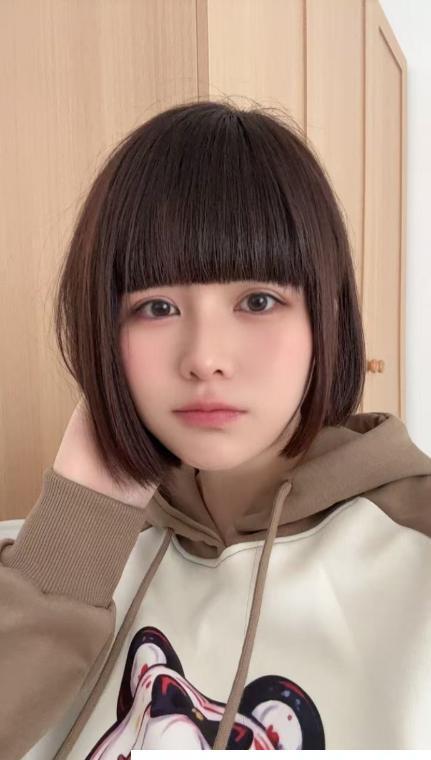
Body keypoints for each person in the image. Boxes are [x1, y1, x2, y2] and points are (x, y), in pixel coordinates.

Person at [1, 98, 430, 758]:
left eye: (257, 301)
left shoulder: (413, 547)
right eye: (156, 307)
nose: (204, 358)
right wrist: (76, 533)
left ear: (327, 318)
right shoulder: (44, 564)